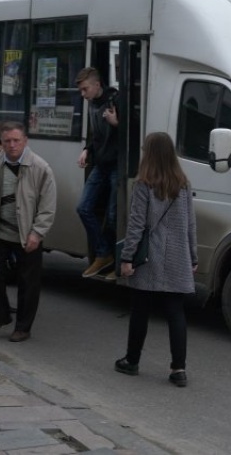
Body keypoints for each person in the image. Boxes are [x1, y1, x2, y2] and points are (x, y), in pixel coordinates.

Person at [115, 132, 197, 388]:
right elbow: (190, 225)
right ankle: (178, 369)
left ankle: (132, 360)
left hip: (149, 257)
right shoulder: (183, 185)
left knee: (140, 310)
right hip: (177, 256)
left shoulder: (143, 185)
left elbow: (137, 225)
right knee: (175, 312)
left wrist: (127, 257)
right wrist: (193, 256)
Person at [0, 121, 56, 343]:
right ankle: (0, 315)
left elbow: (48, 207)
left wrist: (37, 233)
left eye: (16, 140)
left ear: (25, 141)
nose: (11, 145)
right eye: (7, 141)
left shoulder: (40, 168)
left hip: (27, 234)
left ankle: (23, 327)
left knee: (28, 282)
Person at [75, 67, 119, 278]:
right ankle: (104, 254)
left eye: (85, 90)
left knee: (112, 216)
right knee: (83, 208)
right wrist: (87, 149)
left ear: (97, 85)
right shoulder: (92, 104)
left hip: (116, 164)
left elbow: (132, 131)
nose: (83, 95)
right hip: (100, 163)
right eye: (81, 91)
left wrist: (116, 123)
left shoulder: (115, 100)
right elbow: (94, 134)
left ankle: (114, 259)